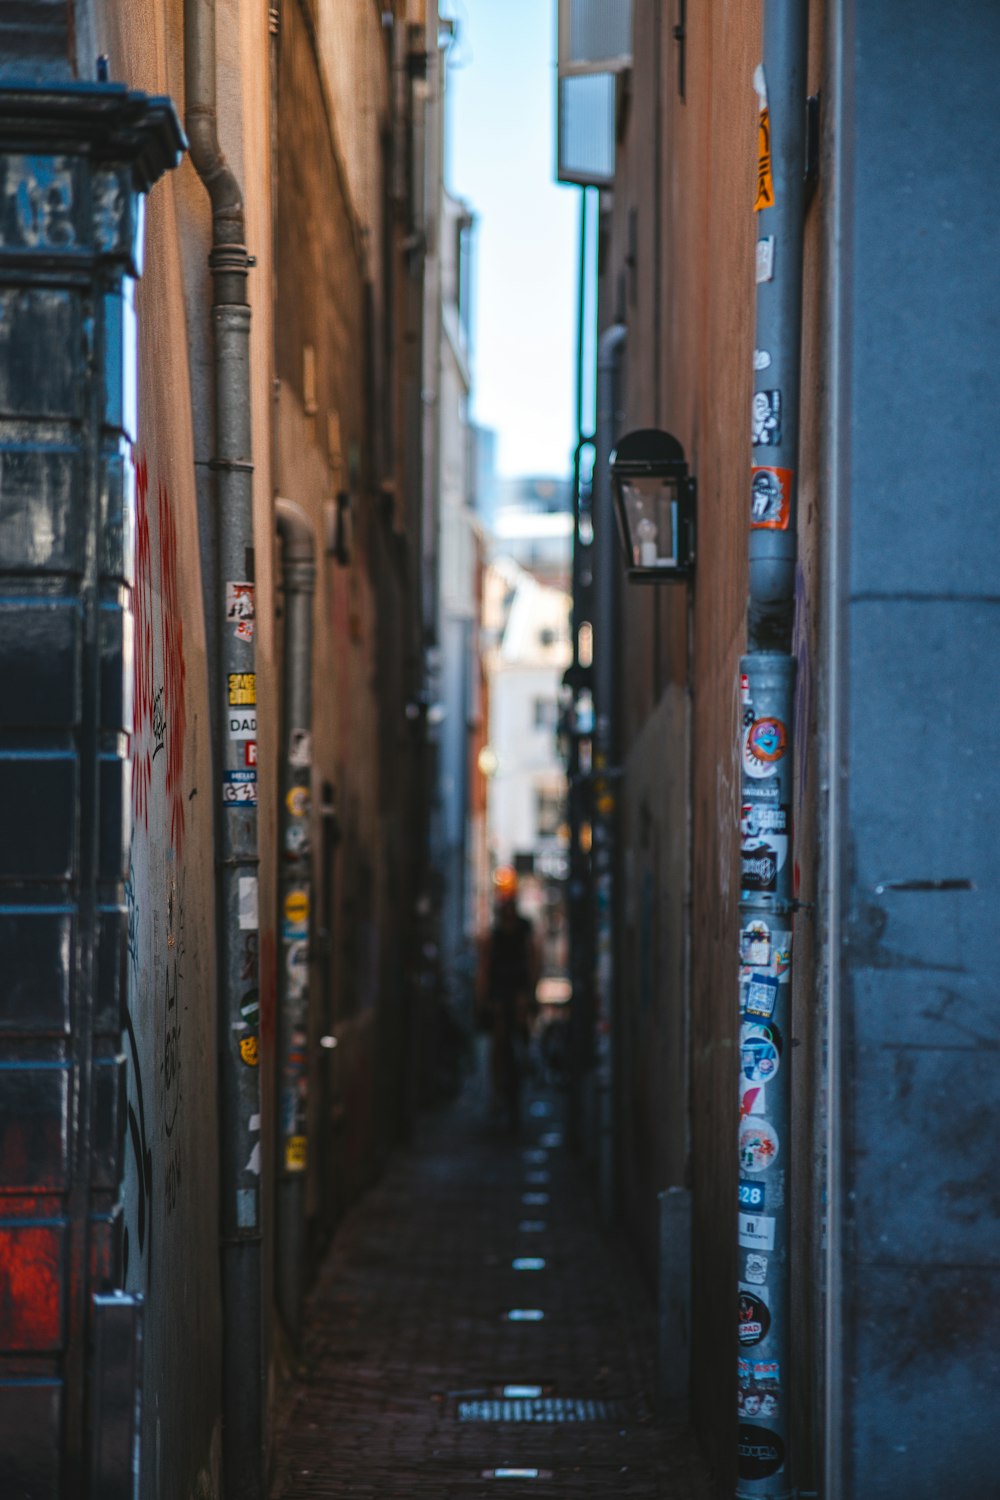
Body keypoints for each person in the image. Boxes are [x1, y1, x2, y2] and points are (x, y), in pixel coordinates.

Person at [478, 867, 538, 1130]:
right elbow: (486, 964)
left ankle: (515, 1086)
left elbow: (532, 958)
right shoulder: (496, 934)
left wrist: (530, 993)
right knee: (498, 1042)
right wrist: (484, 997)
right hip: (501, 991)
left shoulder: (523, 930)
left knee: (516, 1038)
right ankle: (497, 1092)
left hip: (517, 990)